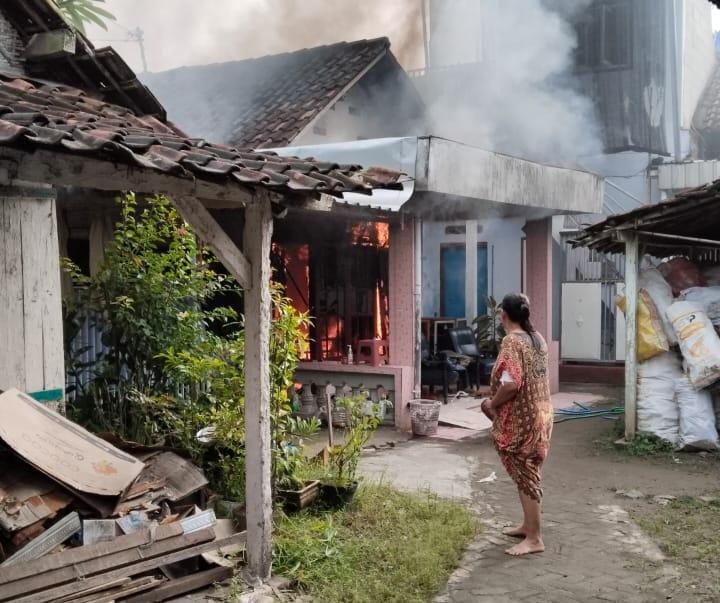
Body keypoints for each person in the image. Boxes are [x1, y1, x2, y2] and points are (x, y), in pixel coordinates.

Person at [480, 293, 553, 556]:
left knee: (526, 476)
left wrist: (493, 404)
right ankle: (527, 526)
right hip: (542, 414)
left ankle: (534, 538)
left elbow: (511, 384)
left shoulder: (512, 342)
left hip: (524, 420)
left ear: (503, 314)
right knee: (530, 471)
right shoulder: (537, 338)